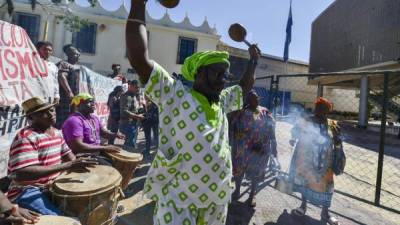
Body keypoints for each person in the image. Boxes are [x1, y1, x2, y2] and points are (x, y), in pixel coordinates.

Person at [125, 0, 260, 223]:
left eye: (225, 76)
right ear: (198, 74)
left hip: (216, 198)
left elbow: (244, 88)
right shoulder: (174, 95)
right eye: (217, 73)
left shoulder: (222, 101)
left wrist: (253, 61)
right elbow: (139, 59)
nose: (222, 80)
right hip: (178, 198)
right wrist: (138, 5)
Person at [7, 97, 96, 215]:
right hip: (28, 191)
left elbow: (69, 158)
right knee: (62, 220)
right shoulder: (26, 137)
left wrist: (81, 164)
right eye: (43, 112)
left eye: (52, 110)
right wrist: (69, 165)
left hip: (52, 185)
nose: (51, 114)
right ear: (30, 118)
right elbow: (22, 173)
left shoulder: (57, 133)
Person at [289, 97, 342, 225]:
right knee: (305, 182)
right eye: (317, 108)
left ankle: (325, 213)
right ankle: (303, 206)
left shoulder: (332, 125)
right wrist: (295, 137)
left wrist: (338, 142)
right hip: (306, 160)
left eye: (322, 109)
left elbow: (338, 142)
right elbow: (294, 132)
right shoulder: (306, 121)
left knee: (327, 186)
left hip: (326, 162)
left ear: (327, 111)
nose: (318, 111)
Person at [231, 90, 277, 207]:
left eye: (257, 98)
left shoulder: (264, 112)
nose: (256, 100)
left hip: (260, 149)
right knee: (239, 171)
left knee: (256, 172)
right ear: (246, 100)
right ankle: (237, 190)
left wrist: (274, 146)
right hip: (242, 149)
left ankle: (252, 195)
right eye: (252, 98)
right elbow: (232, 128)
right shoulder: (240, 112)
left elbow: (272, 130)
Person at [62, 93, 124, 162]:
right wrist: (104, 148)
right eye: (89, 101)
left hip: (96, 151)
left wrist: (114, 135)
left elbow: (102, 133)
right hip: (82, 156)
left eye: (93, 101)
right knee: (111, 167)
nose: (93, 104)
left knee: (119, 160)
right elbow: (77, 146)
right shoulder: (74, 120)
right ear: (78, 105)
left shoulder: (94, 118)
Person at [56, 44, 81, 128]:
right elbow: (61, 76)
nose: (77, 56)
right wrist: (69, 92)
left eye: (78, 54)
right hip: (65, 99)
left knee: (72, 119)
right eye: (75, 54)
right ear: (69, 54)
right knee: (64, 120)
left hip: (74, 100)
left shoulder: (76, 67)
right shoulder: (64, 64)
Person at [119, 80, 145, 151]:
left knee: (131, 141)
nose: (138, 89)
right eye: (136, 87)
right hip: (128, 124)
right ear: (130, 87)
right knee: (129, 143)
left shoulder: (133, 96)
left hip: (132, 123)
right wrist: (137, 116)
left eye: (139, 88)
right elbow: (124, 111)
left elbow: (133, 108)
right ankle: (127, 157)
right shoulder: (127, 96)